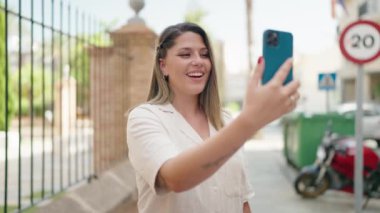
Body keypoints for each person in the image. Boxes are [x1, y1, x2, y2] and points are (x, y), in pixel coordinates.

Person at [126, 22, 300, 213]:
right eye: (185, 54)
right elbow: (175, 178)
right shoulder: (144, 117)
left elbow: (241, 200)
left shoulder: (225, 120)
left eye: (204, 54)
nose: (198, 61)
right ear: (163, 66)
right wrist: (249, 122)